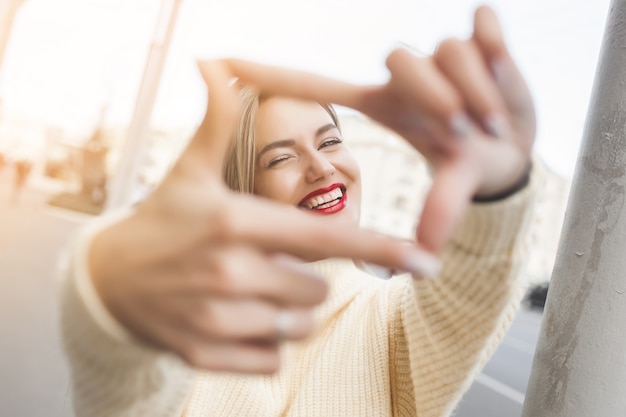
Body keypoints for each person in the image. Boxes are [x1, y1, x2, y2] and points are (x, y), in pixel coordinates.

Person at [59, 6, 538, 417]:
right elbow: (121, 393)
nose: (321, 166)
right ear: (240, 188)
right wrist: (107, 294)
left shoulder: (391, 320)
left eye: (330, 141)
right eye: (281, 157)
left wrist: (496, 191)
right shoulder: (188, 312)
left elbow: (470, 289)